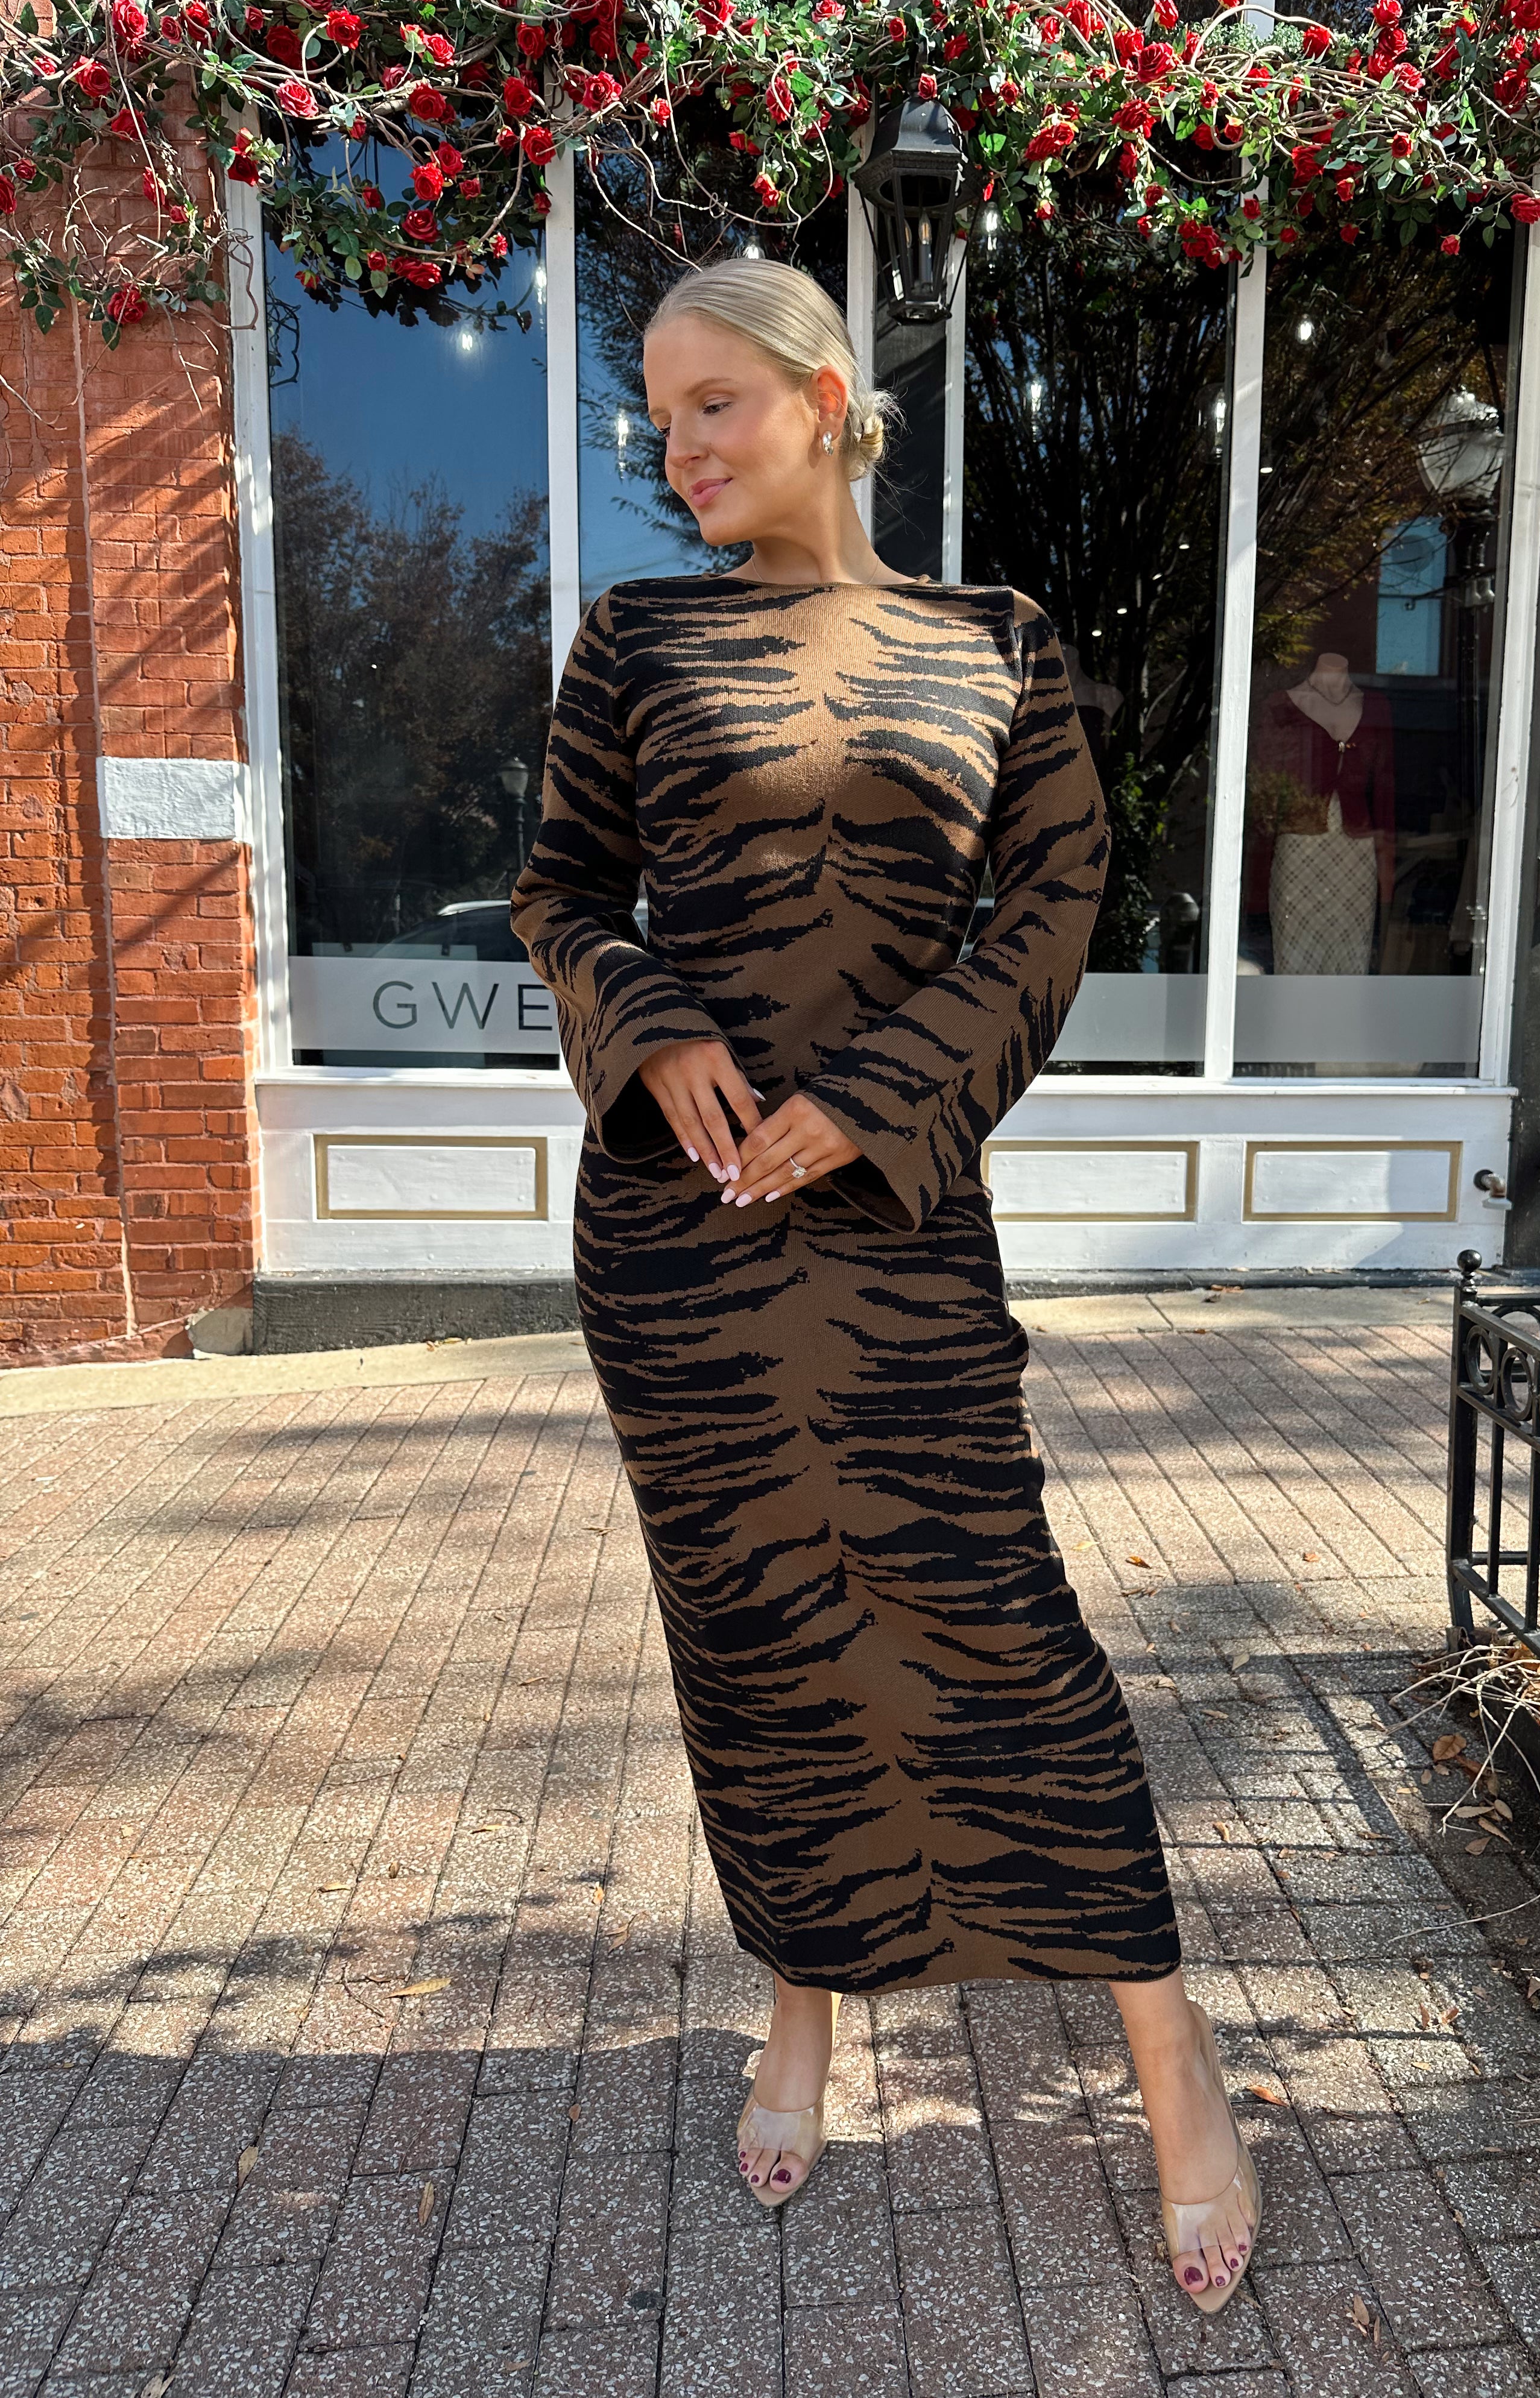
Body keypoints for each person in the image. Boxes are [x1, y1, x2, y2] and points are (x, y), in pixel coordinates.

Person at [510, 255, 1260, 2313]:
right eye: (660, 410)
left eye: (716, 403)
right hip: (683, 1237)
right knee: (758, 1639)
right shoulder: (637, 637)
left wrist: (877, 1094)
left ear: (830, 398)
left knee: (1001, 1627)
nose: (678, 446)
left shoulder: (994, 642)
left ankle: (1171, 2055)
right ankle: (805, 2002)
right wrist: (652, 1026)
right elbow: (561, 892)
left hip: (900, 1225)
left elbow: (1059, 902)